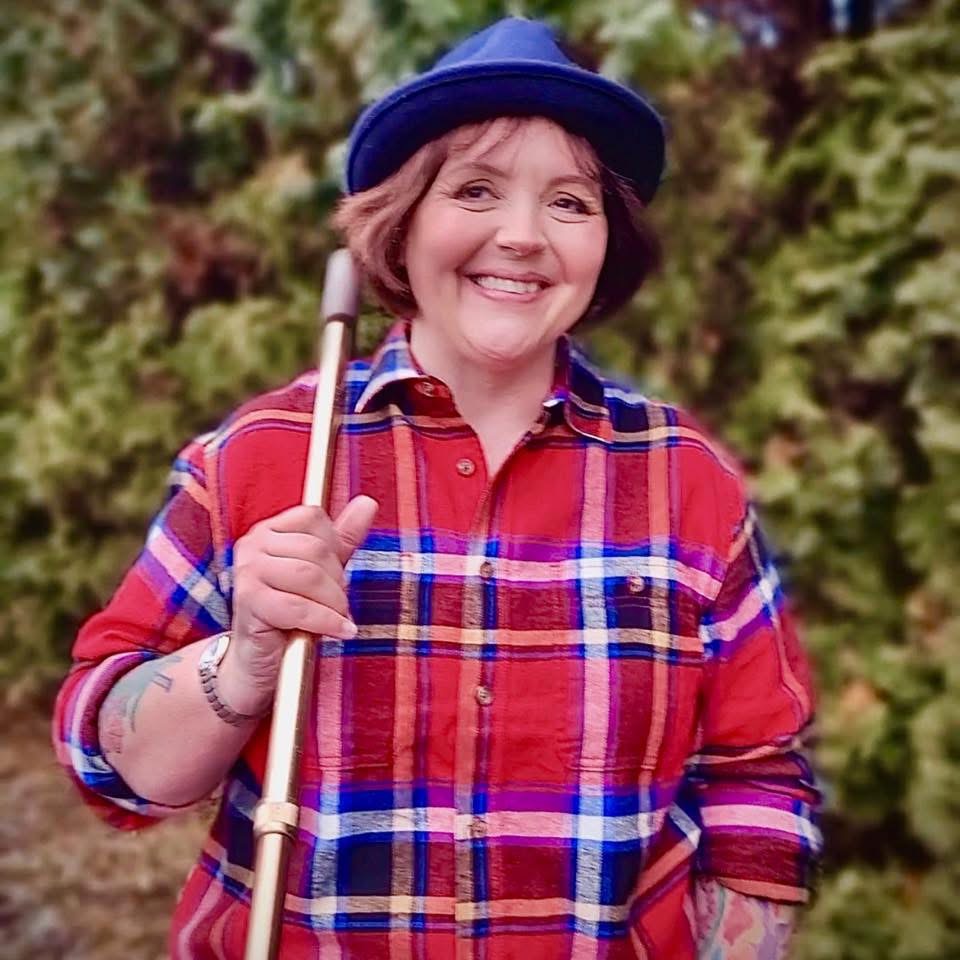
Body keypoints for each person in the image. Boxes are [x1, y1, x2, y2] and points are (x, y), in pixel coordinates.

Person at [53, 16, 820, 960]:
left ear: (605, 242)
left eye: (571, 203)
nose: (523, 237)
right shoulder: (266, 457)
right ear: (401, 221)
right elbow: (106, 761)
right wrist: (242, 662)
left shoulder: (686, 478)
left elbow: (757, 774)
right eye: (475, 190)